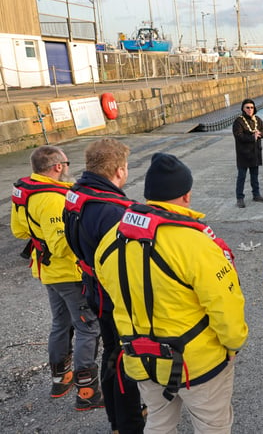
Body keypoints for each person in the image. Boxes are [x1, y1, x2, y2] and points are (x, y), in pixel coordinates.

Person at [95, 152, 248, 433]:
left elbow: (112, 290)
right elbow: (225, 305)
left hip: (141, 358)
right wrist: (233, 344)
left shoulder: (111, 239)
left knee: (158, 422)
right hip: (197, 364)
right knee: (212, 425)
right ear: (187, 195)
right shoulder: (196, 243)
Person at [10, 145, 103, 411]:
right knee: (88, 327)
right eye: (66, 163)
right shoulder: (52, 198)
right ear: (58, 167)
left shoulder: (25, 191)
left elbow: (18, 231)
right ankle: (87, 391)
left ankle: (60, 379)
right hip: (68, 272)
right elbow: (62, 243)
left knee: (61, 323)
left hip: (47, 270)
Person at [63, 138, 145, 433]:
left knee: (111, 353)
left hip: (92, 286)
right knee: (123, 358)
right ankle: (129, 423)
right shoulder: (113, 211)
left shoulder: (76, 195)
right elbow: (127, 262)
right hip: (111, 296)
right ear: (119, 170)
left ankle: (117, 417)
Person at [233, 98, 263, 207]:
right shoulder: (238, 121)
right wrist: (252, 137)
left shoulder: (257, 119)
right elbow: (239, 136)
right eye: (247, 108)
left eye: (252, 107)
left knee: (255, 176)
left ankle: (256, 195)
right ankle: (240, 198)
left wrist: (260, 134)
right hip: (243, 154)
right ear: (243, 109)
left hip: (255, 153)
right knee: (241, 177)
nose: (250, 110)